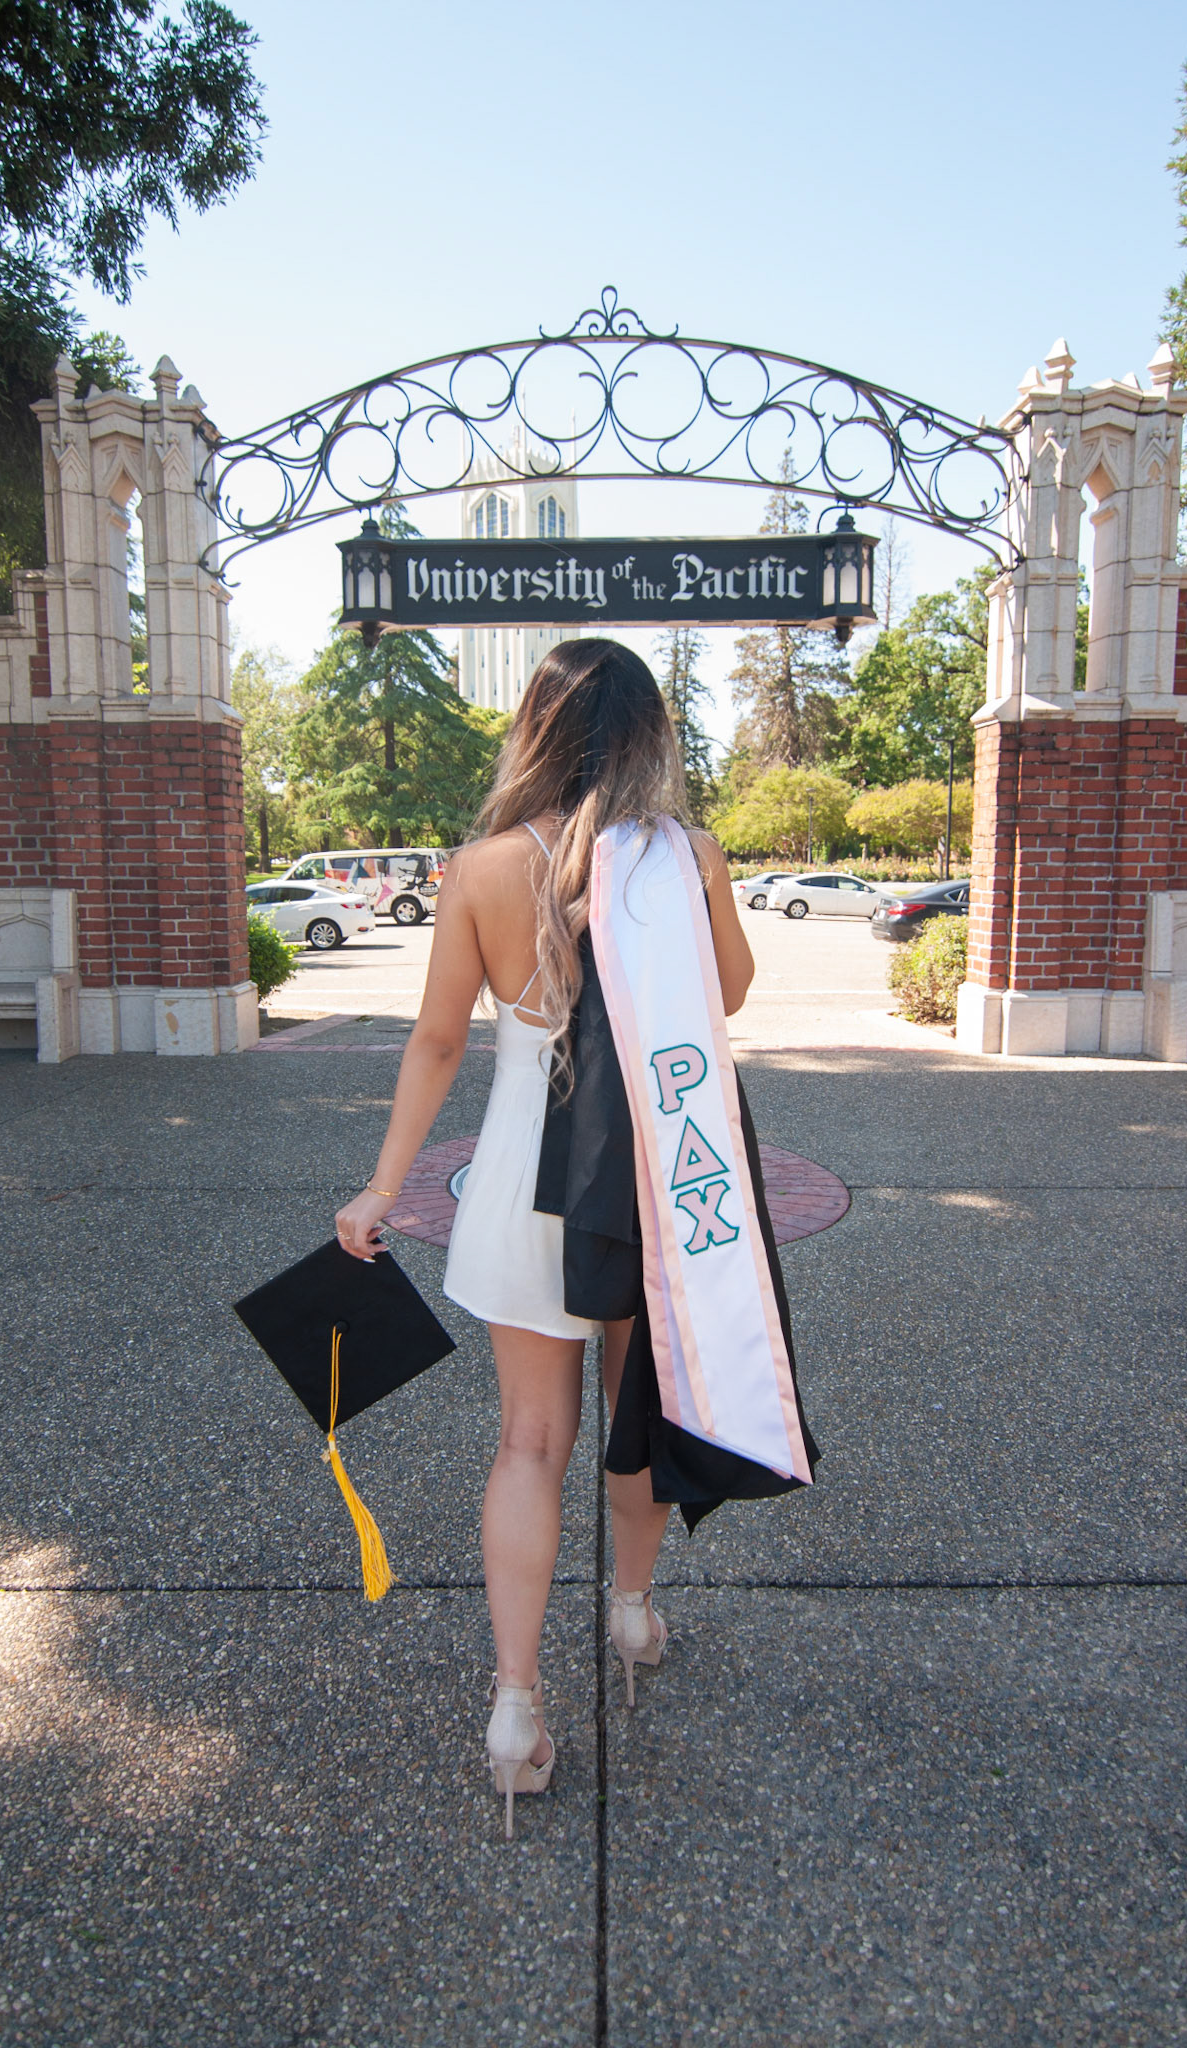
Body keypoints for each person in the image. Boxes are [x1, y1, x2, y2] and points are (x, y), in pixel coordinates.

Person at [335, 639, 812, 1839]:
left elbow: (438, 1040)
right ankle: (633, 1610)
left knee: (528, 1439)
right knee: (635, 1410)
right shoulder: (684, 854)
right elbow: (729, 994)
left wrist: (381, 1185)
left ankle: (514, 1705)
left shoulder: (483, 866)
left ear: (535, 728)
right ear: (649, 734)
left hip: (517, 1180)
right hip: (645, 1176)